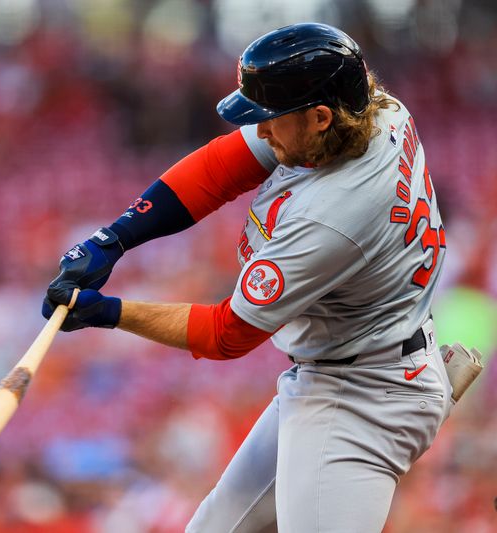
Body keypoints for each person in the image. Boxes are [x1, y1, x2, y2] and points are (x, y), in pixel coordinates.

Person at [42, 23, 452, 532]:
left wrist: (109, 312)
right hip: (347, 369)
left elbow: (227, 334)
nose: (260, 130)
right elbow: (222, 166)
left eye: (271, 118)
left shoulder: (330, 216)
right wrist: (114, 238)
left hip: (366, 400)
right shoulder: (370, 110)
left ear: (320, 116)